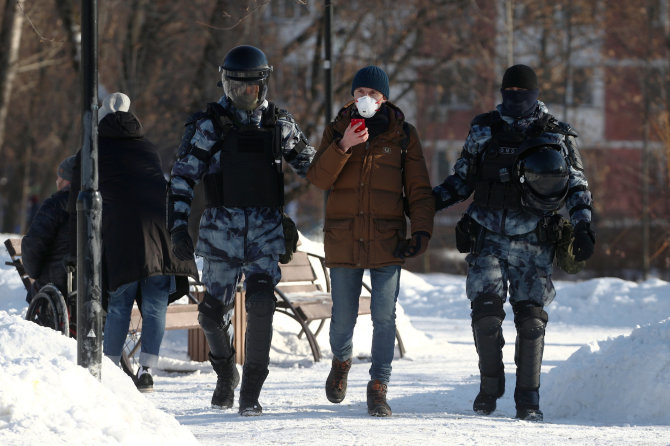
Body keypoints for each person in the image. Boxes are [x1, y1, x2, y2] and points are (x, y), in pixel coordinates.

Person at [433, 64, 595, 421]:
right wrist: (426, 203)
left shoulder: (557, 134)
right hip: (486, 234)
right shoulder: (484, 129)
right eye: (510, 92)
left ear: (536, 94)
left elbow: (577, 185)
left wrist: (583, 225)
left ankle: (528, 400)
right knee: (486, 317)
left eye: (523, 93)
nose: (516, 99)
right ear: (502, 92)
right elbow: (461, 181)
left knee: (531, 321)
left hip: (534, 238)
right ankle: (490, 387)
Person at [167, 45, 315, 416]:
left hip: (265, 233)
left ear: (263, 85)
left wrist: (344, 150)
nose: (245, 93)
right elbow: (183, 178)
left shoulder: (280, 125)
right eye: (237, 86)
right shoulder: (209, 125)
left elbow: (313, 167)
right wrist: (177, 227)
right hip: (220, 235)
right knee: (211, 315)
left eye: (252, 86)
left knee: (262, 304)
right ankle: (225, 374)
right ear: (225, 83)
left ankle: (251, 390)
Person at [306, 66, 434, 417]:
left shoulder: (404, 135)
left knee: (383, 316)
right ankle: (341, 361)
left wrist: (421, 231)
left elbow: (419, 190)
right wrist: (344, 145)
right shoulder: (337, 130)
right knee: (343, 317)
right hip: (344, 237)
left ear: (384, 98)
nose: (365, 98)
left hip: (386, 239)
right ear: (352, 95)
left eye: (372, 93)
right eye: (359, 91)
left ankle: (379, 384)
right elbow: (317, 178)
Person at [68, 92, 198, 392]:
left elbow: (75, 200)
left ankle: (111, 371)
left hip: (122, 238)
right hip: (161, 234)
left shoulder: (92, 151)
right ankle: (147, 370)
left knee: (118, 306)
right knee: (154, 307)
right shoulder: (147, 148)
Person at [22, 155, 77, 301]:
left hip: (58, 282)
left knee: (36, 292)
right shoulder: (101, 203)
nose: (57, 181)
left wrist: (35, 273)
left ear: (66, 180)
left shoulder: (56, 203)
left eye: (59, 176)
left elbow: (33, 243)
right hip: (95, 284)